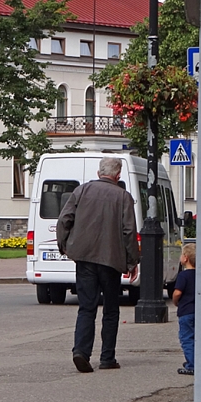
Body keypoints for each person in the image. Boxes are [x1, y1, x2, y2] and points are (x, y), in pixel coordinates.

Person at [56, 157, 140, 373]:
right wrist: (132, 262)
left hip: (84, 258)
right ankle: (107, 357)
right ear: (118, 175)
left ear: (98, 172)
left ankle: (81, 352)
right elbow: (129, 232)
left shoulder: (81, 191)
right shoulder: (123, 197)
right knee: (111, 309)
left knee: (86, 307)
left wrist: (64, 245)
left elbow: (64, 220)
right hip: (111, 260)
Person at [173, 243, 196, 376]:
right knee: (197, 338)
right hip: (198, 311)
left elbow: (177, 293)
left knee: (186, 338)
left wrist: (176, 302)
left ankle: (191, 365)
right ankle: (197, 361)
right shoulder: (200, 274)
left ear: (185, 258)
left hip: (186, 311)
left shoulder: (183, 276)